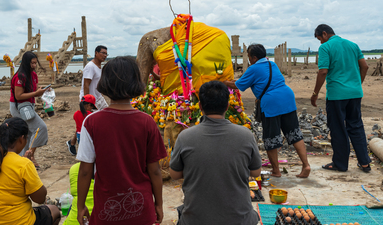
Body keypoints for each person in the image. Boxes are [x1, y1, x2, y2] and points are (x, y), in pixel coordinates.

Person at [76, 56, 167, 225]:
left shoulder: (91, 122)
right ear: (136, 83)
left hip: (107, 211)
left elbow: (85, 171)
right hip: (141, 208)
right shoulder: (147, 122)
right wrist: (159, 204)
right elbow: (154, 171)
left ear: (104, 84)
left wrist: (81, 205)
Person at [169, 81, 262, 225]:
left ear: (200, 106)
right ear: (226, 106)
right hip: (238, 220)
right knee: (253, 215)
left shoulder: (185, 136)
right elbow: (256, 172)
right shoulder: (245, 135)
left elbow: (174, 174)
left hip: (195, 220)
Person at [224, 44, 311, 178]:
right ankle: (306, 165)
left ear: (254, 57)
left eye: (248, 57)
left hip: (271, 102)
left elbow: (237, 85)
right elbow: (245, 81)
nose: (248, 60)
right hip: (287, 98)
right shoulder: (273, 65)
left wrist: (222, 82)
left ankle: (276, 171)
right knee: (294, 133)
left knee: (271, 138)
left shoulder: (253, 68)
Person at [0, 118, 61, 225]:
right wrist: (31, 170)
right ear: (21, 139)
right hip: (17, 222)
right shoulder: (23, 164)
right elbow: (40, 198)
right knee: (54, 210)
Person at [311, 24, 371, 172]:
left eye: (320, 39)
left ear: (324, 34)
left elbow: (323, 72)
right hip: (355, 93)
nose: (320, 42)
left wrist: (315, 93)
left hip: (336, 95)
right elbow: (365, 66)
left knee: (338, 128)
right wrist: (357, 83)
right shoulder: (352, 45)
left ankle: (340, 164)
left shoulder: (326, 47)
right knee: (356, 126)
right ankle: (365, 163)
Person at [10, 51, 49, 169]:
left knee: (28, 133)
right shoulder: (19, 77)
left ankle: (24, 160)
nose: (34, 65)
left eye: (35, 63)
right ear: (26, 63)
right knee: (40, 128)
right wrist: (36, 93)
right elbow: (18, 96)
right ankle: (29, 156)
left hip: (29, 106)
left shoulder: (33, 75)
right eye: (32, 63)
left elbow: (33, 92)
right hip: (19, 107)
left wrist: (41, 91)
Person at [79, 45, 108, 110]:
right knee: (94, 119)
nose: (105, 55)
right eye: (103, 53)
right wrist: (87, 103)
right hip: (90, 101)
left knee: (109, 115)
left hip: (99, 98)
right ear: (96, 53)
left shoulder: (99, 67)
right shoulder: (90, 66)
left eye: (106, 54)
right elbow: (86, 84)